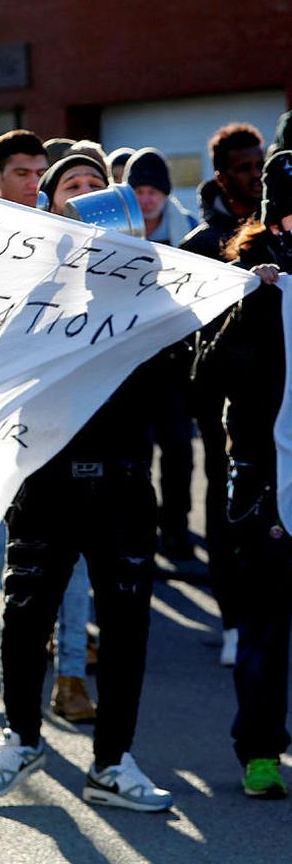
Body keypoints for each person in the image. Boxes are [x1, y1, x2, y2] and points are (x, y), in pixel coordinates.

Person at [0, 153, 172, 813]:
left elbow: (183, 374)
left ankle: (113, 762)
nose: (88, 197)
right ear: (51, 206)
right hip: (45, 479)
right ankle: (21, 737)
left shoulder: (151, 285)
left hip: (122, 483)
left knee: (124, 626)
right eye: (72, 188)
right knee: (25, 616)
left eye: (97, 187)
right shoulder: (24, 284)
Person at [0, 130, 95, 717]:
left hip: (62, 418)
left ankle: (72, 674)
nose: (34, 184)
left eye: (42, 173)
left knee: (73, 556)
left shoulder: (76, 240)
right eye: (22, 173)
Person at [205, 149, 292, 799]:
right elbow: (206, 379)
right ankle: (260, 749)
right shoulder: (245, 281)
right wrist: (247, 304)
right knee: (265, 623)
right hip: (264, 482)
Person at [182, 123, 267, 667]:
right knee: (225, 508)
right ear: (221, 175)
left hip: (274, 402)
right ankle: (234, 618)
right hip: (221, 407)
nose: (255, 175)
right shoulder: (201, 245)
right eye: (244, 167)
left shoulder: (276, 226)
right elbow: (194, 341)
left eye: (260, 164)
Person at [124, 148, 201, 564]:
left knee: (178, 452)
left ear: (166, 193)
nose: (148, 198)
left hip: (174, 362)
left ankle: (177, 529)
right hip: (130, 361)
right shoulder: (118, 227)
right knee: (136, 455)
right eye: (140, 189)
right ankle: (141, 531)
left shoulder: (187, 228)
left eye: (155, 190)